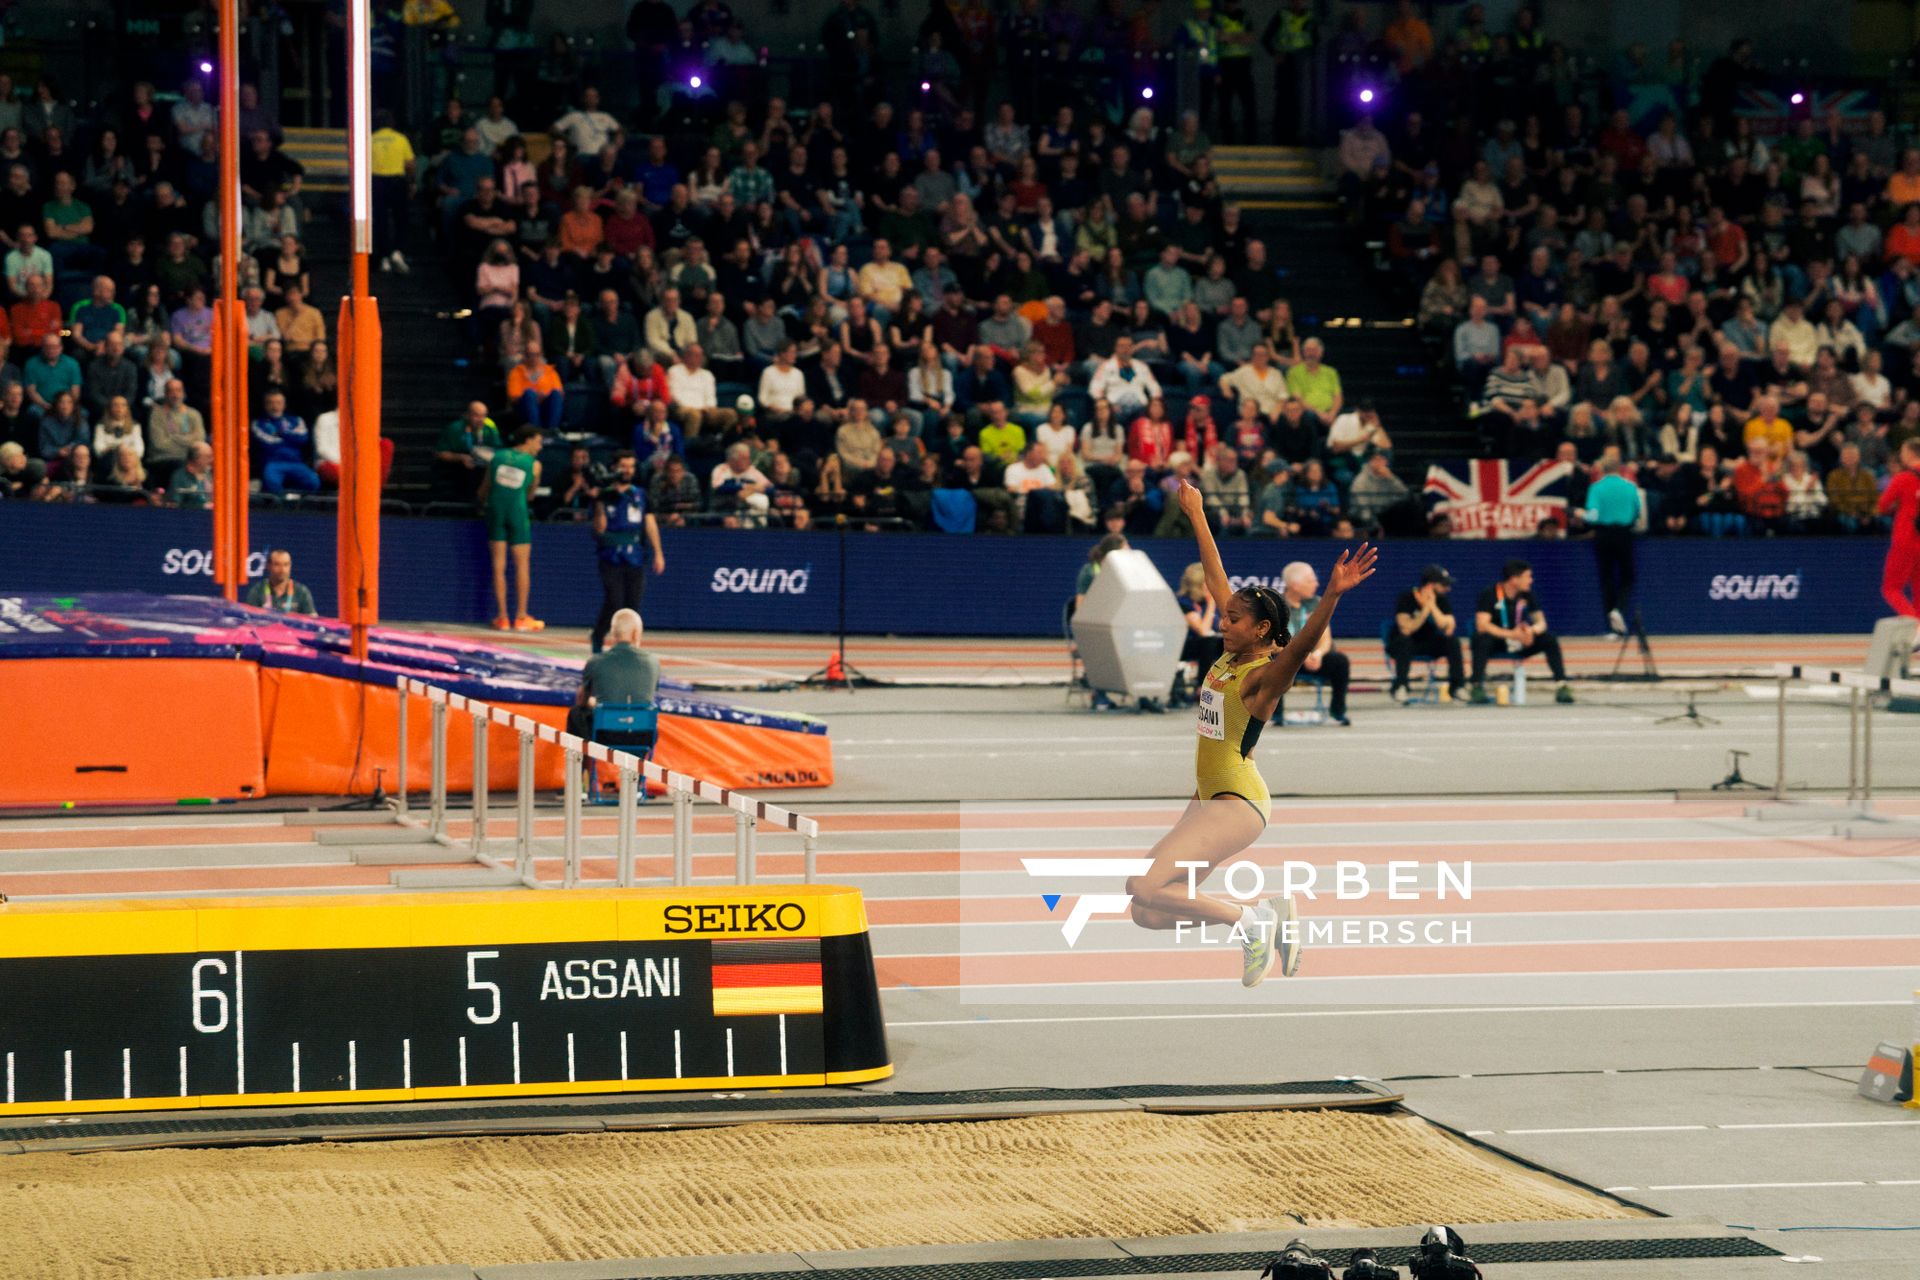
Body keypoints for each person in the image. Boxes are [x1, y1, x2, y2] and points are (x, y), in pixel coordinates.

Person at [1122, 480, 1377, 987]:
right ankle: (1265, 912)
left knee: (1141, 883)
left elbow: (1301, 647)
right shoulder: (1232, 648)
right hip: (1207, 797)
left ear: (1260, 630)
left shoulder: (1262, 677)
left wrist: (1330, 596)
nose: (1223, 621)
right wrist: (1196, 513)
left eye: (1233, 618)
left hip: (1238, 803)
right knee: (1144, 910)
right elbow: (1217, 577)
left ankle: (1250, 921)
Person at [1469, 559, 1573, 705]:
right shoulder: (1490, 593)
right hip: (1498, 641)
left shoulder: (1528, 595)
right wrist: (1511, 634)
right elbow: (1482, 625)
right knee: (1480, 639)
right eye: (1528, 576)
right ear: (1514, 579)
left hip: (1522, 641)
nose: (1531, 580)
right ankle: (1476, 686)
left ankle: (1562, 685)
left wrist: (1531, 631)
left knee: (1549, 639)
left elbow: (1541, 622)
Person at [590, 451, 665, 652]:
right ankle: (599, 636)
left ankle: (631, 645)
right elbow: (600, 529)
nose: (628, 470)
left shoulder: (640, 494)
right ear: (614, 467)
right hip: (610, 555)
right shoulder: (605, 495)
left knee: (633, 604)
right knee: (614, 600)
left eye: (631, 466)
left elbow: (649, 524)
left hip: (635, 555)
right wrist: (599, 502)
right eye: (624, 466)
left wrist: (658, 552)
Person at [479, 423, 545, 631]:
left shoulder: (496, 458)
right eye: (538, 441)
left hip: (495, 511)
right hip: (517, 513)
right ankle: (521, 617)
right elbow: (531, 495)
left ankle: (502, 618)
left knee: (498, 566)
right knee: (521, 565)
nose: (540, 447)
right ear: (528, 440)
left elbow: (484, 490)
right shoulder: (534, 465)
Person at [567, 607, 661, 739]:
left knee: (576, 714)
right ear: (636, 634)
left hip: (605, 734)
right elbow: (648, 696)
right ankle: (641, 758)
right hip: (641, 735)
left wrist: (594, 703)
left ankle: (579, 759)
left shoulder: (596, 661)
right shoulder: (653, 662)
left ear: (612, 633)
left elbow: (581, 700)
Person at [1277, 560, 1351, 726]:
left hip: (1313, 659)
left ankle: (1338, 711)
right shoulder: (1276, 605)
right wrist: (1299, 655)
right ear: (1295, 585)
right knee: (1271, 660)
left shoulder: (1318, 603)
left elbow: (1325, 637)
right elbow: (1273, 642)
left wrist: (1317, 654)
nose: (1317, 584)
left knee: (1340, 661)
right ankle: (1275, 713)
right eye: (1311, 581)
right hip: (1285, 659)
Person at [1582, 456, 1645, 635]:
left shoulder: (1596, 488)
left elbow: (1592, 516)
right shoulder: (1630, 487)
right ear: (1621, 469)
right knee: (1628, 577)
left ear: (1602, 469)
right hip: (1624, 535)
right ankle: (1618, 609)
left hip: (1603, 535)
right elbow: (1637, 513)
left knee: (1607, 579)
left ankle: (1611, 628)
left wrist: (1580, 514)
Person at [1389, 564, 1465, 702]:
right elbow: (1406, 629)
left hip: (1428, 643)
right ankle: (1401, 686)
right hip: (1405, 644)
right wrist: (1425, 610)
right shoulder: (1406, 598)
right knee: (1404, 641)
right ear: (1430, 586)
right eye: (1444, 585)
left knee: (1452, 641)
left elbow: (1448, 628)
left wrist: (1432, 606)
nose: (1448, 588)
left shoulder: (1442, 600)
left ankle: (1457, 687)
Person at [1880, 438, 1920, 618]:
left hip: (1906, 539)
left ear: (1911, 454)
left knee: (1891, 588)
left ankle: (1914, 623)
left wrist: (1901, 505)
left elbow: (1882, 506)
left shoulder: (1903, 478)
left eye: (1903, 452)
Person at [244, 547, 318, 615]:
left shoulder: (301, 591)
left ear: (290, 566)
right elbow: (248, 620)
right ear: (268, 566)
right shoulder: (257, 591)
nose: (282, 570)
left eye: (286, 565)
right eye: (277, 565)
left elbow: (312, 621)